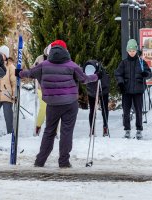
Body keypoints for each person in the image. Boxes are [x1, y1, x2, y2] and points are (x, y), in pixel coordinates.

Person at [15, 40, 100, 168]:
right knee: (66, 132)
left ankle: (40, 161)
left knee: (49, 132)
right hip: (70, 104)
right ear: (65, 51)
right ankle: (64, 162)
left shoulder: (43, 65)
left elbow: (30, 73)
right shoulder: (72, 65)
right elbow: (84, 79)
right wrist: (96, 76)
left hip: (52, 104)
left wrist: (19, 73)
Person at [115, 39, 152, 140]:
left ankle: (139, 130)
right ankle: (127, 130)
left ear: (136, 50)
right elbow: (118, 74)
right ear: (127, 51)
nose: (132, 52)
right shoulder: (124, 63)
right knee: (126, 111)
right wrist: (121, 83)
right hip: (126, 91)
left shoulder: (141, 62)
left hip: (138, 90)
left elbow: (149, 73)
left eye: (133, 50)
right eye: (130, 51)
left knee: (138, 111)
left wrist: (146, 74)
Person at [83, 60, 110, 137]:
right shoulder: (85, 69)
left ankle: (105, 127)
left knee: (104, 109)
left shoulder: (101, 71)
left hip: (103, 90)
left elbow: (106, 82)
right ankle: (92, 129)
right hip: (91, 91)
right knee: (92, 110)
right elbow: (84, 80)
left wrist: (100, 78)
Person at [0, 45, 16, 135]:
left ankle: (10, 133)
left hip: (7, 95)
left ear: (6, 56)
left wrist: (14, 94)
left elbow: (14, 83)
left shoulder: (10, 67)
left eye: (1, 54)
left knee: (8, 115)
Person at [32, 45, 50, 135]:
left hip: (53, 88)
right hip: (41, 87)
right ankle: (38, 126)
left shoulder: (56, 58)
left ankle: (53, 130)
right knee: (43, 108)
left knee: (53, 109)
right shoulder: (40, 58)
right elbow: (32, 69)